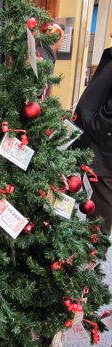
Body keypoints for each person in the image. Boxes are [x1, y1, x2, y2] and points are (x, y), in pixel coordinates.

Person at [72, 44, 112, 236]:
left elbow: (107, 120)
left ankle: (91, 260)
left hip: (105, 154)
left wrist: (91, 122)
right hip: (97, 144)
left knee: (99, 220)